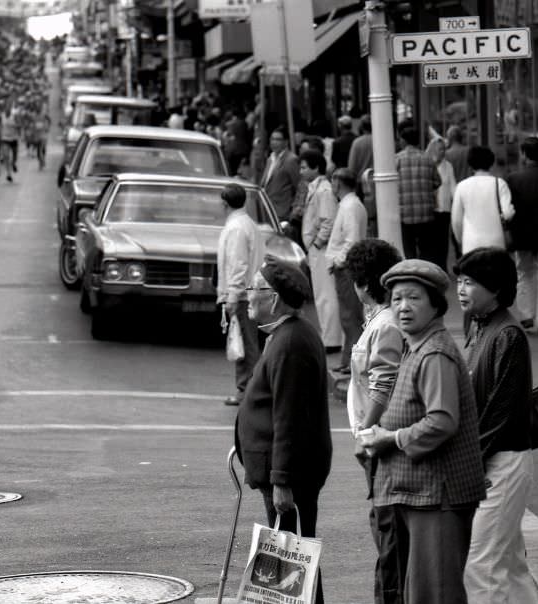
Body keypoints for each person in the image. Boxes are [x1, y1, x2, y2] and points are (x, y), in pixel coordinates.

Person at [360, 259, 486, 604]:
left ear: (435, 305)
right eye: (397, 299)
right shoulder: (417, 345)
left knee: (435, 594)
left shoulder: (435, 353)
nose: (403, 307)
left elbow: (442, 421)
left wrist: (389, 438)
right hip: (421, 494)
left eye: (413, 298)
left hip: (438, 497)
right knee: (420, 592)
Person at [235, 257, 332, 604]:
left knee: (294, 561)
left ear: (273, 298)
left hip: (292, 474)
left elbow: (289, 417)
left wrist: (281, 480)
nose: (247, 295)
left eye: (253, 288)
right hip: (288, 470)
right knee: (296, 562)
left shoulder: (290, 342)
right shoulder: (286, 334)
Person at [453, 248, 538, 603]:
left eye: (470, 282)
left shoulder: (508, 335)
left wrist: (467, 463)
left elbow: (498, 413)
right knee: (508, 565)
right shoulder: (481, 326)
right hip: (493, 460)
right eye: (459, 281)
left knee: (481, 565)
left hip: (500, 462)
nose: (460, 289)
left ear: (495, 288)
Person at [344, 238, 404, 604]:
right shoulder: (379, 320)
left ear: (364, 283)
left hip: (379, 440)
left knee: (388, 532)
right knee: (384, 529)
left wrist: (365, 433)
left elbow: (383, 385)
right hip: (375, 438)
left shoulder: (386, 325)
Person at [216, 183, 265, 406]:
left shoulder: (236, 228)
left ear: (225, 204)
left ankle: (248, 389)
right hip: (248, 291)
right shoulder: (247, 224)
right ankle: (249, 387)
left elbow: (238, 265)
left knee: (245, 344)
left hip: (243, 294)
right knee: (246, 341)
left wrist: (232, 296)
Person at [300, 148, 342, 352]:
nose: (301, 171)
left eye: (304, 167)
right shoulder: (316, 188)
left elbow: (328, 221)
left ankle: (332, 339)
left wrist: (317, 243)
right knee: (322, 295)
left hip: (321, 249)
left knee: (326, 296)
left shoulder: (323, 191)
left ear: (316, 168)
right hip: (316, 248)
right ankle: (329, 336)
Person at [326, 168, 367, 373]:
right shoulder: (350, 204)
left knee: (350, 316)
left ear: (338, 184)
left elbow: (351, 240)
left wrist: (338, 261)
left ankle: (353, 360)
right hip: (346, 266)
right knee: (348, 315)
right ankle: (347, 358)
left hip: (346, 268)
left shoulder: (349, 206)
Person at [505, 136, 538, 332]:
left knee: (524, 273)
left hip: (523, 235)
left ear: (524, 154)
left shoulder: (514, 179)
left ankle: (527, 315)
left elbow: (510, 210)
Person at [451, 145, 515, 254]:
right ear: (491, 163)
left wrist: (460, 239)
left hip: (471, 243)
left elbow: (456, 220)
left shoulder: (461, 186)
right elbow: (508, 213)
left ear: (470, 164)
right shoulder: (499, 183)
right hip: (496, 242)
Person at [395, 127, 441, 261]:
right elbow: (437, 182)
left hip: (404, 214)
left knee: (408, 250)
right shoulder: (428, 159)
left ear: (404, 141)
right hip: (426, 213)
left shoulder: (396, 159)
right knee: (426, 250)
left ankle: (412, 270)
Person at [259, 127, 301, 224]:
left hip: (282, 213)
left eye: (278, 139)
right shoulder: (270, 159)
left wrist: (294, 211)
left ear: (286, 142)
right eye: (272, 139)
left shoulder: (291, 160)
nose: (274, 142)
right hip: (267, 210)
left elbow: (299, 186)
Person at [426, 137, 456, 271]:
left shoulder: (448, 166)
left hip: (444, 209)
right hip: (430, 209)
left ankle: (443, 268)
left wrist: (456, 199)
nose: (443, 152)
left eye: (444, 149)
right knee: (431, 241)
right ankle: (433, 267)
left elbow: (453, 186)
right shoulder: (427, 164)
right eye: (440, 149)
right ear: (433, 150)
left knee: (443, 241)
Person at [0, 104, 20, 182]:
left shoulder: (14, 116)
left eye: (9, 108)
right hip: (5, 138)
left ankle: (14, 163)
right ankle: (8, 174)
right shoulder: (1, 116)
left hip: (14, 138)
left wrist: (15, 125)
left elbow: (20, 125)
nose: (7, 109)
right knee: (6, 156)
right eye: (6, 107)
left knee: (15, 155)